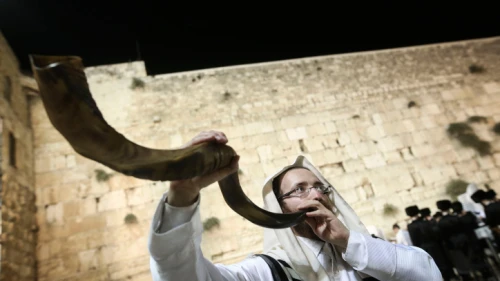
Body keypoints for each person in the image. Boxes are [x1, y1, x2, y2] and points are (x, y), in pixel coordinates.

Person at [148, 131, 443, 281]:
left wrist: (349, 241)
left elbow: (427, 273)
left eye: (319, 188)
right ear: (278, 209)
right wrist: (182, 196)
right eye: (299, 190)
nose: (315, 196)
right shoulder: (268, 271)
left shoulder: (366, 251)